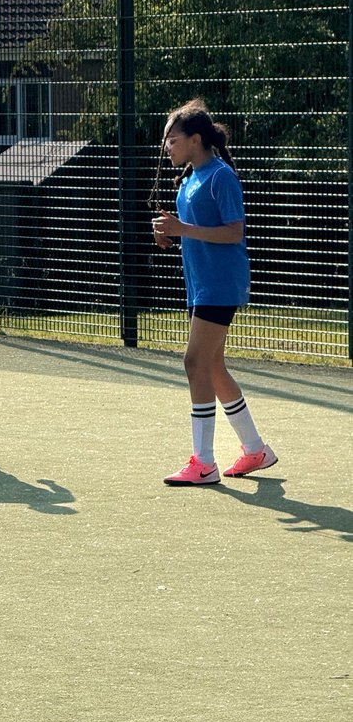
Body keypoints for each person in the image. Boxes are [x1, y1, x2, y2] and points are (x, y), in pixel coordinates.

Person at [152, 99, 277, 485]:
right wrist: (170, 235)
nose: (166, 148)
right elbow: (192, 230)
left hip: (221, 284)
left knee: (194, 362)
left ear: (195, 139)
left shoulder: (221, 177)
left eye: (172, 140)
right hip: (201, 283)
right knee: (213, 366)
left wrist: (184, 230)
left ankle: (203, 462)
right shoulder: (189, 180)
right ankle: (256, 450)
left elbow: (234, 232)